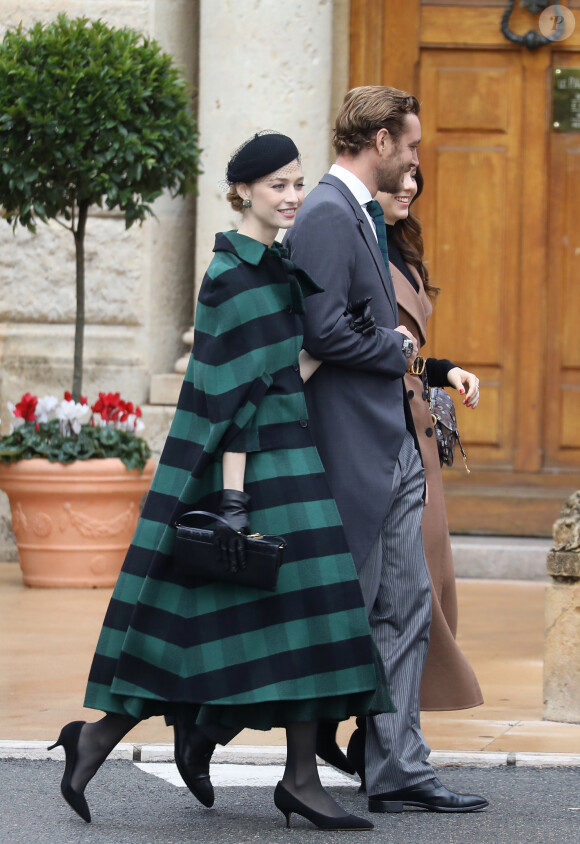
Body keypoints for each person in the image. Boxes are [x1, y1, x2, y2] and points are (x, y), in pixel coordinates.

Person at [48, 131, 392, 832]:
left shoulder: (277, 267)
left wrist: (324, 348)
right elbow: (226, 396)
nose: (292, 197)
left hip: (290, 454)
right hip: (247, 468)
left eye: (297, 184)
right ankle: (99, 739)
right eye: (277, 187)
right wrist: (233, 498)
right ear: (242, 192)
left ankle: (295, 777)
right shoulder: (230, 275)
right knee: (188, 627)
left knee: (308, 621)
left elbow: (279, 375)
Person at [283, 85, 488, 814]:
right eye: (408, 145)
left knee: (405, 608)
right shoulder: (330, 214)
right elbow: (319, 329)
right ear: (377, 142)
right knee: (352, 610)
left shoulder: (360, 215)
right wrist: (394, 346)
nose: (413, 159)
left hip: (394, 441)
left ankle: (397, 765)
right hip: (354, 447)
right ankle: (284, 764)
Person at [378, 167, 484, 712]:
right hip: (381, 433)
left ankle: (383, 736)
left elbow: (406, 348)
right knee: (404, 592)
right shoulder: (357, 242)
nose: (410, 185)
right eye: (398, 175)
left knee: (426, 580)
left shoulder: (399, 246)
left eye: (416, 175)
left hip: (415, 426)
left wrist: (445, 370)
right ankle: (381, 735)